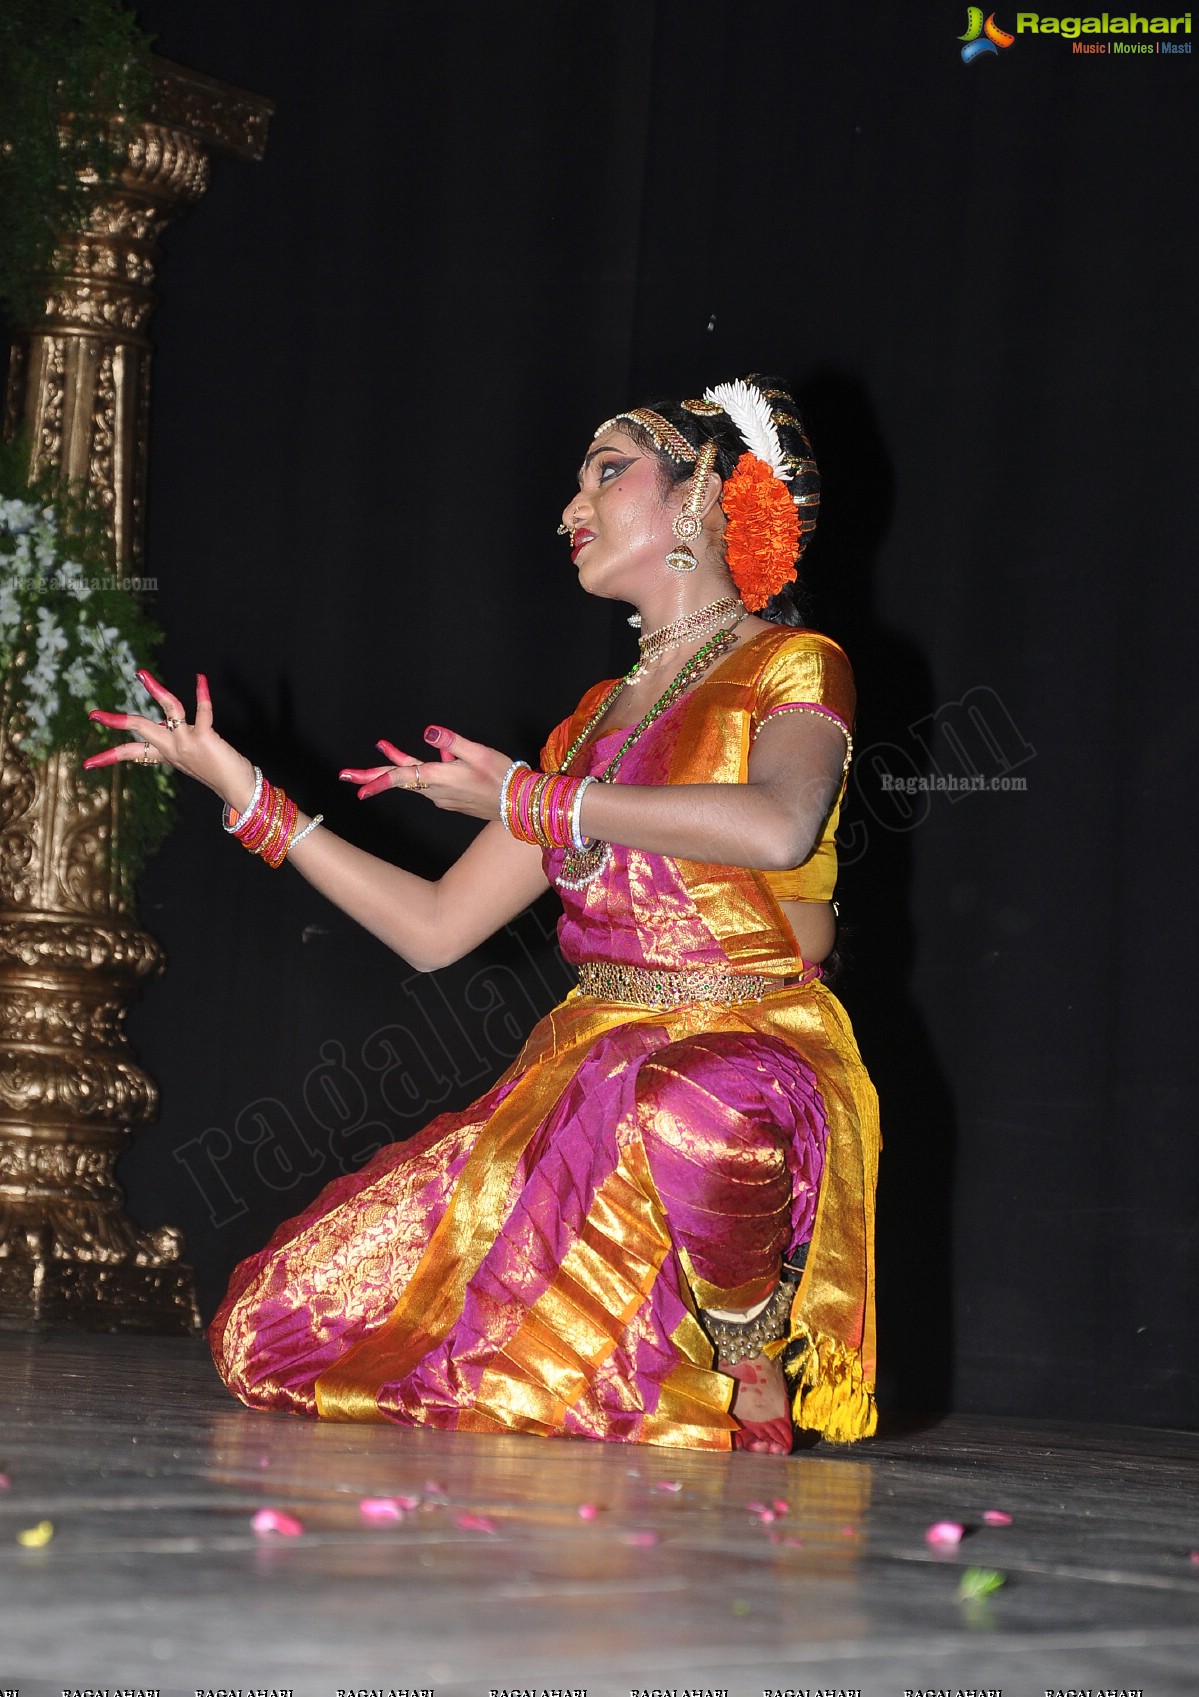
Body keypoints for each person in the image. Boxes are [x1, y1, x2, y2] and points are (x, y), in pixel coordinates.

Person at [86, 375, 879, 1456]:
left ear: (701, 497)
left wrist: (529, 800)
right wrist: (252, 800)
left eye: (606, 474)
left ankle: (746, 1359)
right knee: (271, 1333)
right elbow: (435, 928)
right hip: (583, 1080)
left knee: (696, 1098)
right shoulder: (589, 725)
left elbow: (780, 826)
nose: (569, 511)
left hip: (748, 1049)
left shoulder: (792, 663)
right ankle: (638, 1349)